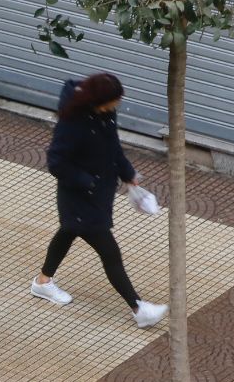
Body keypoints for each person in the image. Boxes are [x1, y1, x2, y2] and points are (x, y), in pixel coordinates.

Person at [29, 72, 167, 329]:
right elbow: (56, 162)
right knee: (109, 252)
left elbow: (113, 146)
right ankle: (139, 308)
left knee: (68, 231)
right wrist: (88, 182)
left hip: (98, 193)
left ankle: (42, 282)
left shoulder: (105, 113)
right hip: (79, 197)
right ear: (98, 100)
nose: (117, 105)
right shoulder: (72, 122)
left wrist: (127, 173)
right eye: (114, 101)